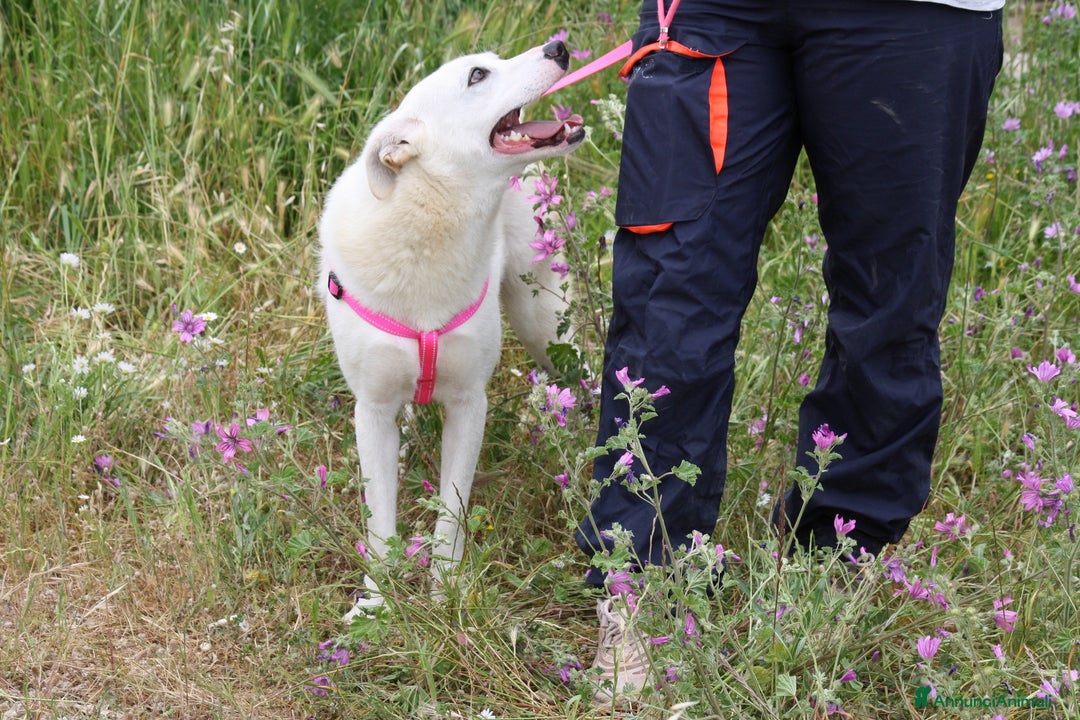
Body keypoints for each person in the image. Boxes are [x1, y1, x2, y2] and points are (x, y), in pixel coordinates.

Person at [576, 0, 1005, 700]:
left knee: (891, 299)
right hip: (719, 12)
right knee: (670, 290)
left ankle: (837, 556)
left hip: (920, 16)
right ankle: (641, 580)